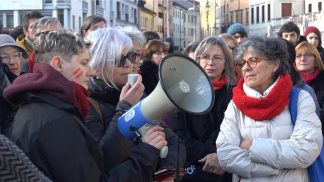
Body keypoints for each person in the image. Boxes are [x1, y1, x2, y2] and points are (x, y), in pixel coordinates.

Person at [4, 29, 167, 182]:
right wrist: (147, 153)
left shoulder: (40, 106)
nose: (90, 71)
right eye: (83, 63)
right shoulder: (55, 120)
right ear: (58, 64)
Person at [216, 37, 322, 181]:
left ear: (275, 64)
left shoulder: (300, 98)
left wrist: (253, 146)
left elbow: (305, 150)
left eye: (253, 60)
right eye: (242, 63)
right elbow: (225, 154)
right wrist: (269, 170)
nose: (246, 68)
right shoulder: (236, 104)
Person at [86, 27, 186, 175]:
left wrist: (167, 172)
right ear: (96, 67)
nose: (129, 64)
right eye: (120, 59)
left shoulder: (137, 93)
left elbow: (174, 142)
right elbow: (103, 160)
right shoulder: (87, 104)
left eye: (131, 56)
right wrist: (126, 109)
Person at [170, 36, 236, 182]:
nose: (210, 62)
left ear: (226, 63)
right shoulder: (182, 92)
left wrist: (219, 156)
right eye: (205, 57)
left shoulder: (236, 93)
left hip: (223, 168)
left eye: (217, 58)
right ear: (198, 60)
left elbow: (234, 132)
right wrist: (207, 155)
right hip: (190, 168)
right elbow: (178, 134)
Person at [295, 41, 324, 134]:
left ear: (316, 60)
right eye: (298, 56)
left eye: (308, 55)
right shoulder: (288, 82)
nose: (303, 59)